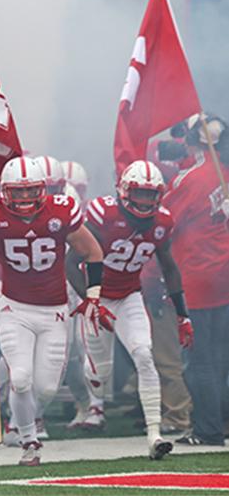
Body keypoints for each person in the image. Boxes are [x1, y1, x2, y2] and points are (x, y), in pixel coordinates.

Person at [0, 156, 104, 466]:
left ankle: (26, 421)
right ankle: (28, 439)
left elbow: (92, 251)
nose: (24, 198)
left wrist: (94, 295)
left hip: (54, 311)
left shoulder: (61, 210)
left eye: (30, 191)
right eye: (18, 192)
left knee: (47, 388)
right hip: (14, 308)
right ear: (5, 191)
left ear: (43, 189)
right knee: (21, 378)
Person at [66, 160, 192, 460]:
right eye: (140, 193)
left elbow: (169, 266)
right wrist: (90, 300)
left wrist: (182, 313)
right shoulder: (102, 214)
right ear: (124, 191)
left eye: (151, 195)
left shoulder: (162, 222)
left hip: (128, 296)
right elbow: (71, 263)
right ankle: (94, 393)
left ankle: (154, 434)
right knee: (99, 373)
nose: (145, 201)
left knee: (144, 354)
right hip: (96, 295)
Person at [164, 114, 229, 447]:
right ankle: (220, 422)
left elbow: (164, 224)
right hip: (222, 277)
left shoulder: (192, 179)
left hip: (198, 279)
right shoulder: (221, 172)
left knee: (199, 362)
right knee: (220, 357)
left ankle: (208, 429)